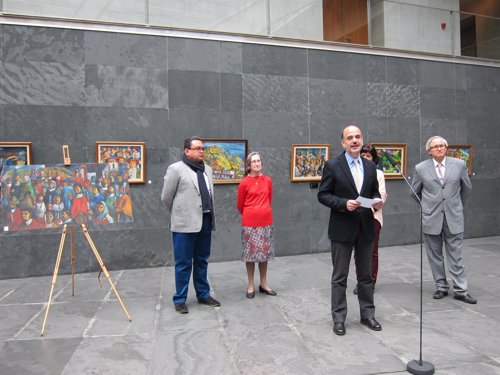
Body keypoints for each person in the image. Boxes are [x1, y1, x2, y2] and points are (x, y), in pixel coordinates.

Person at [318, 125, 384, 336]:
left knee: (365, 276)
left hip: (365, 227)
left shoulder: (370, 166)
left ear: (362, 139)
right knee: (340, 276)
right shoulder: (332, 165)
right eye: (350, 138)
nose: (354, 140)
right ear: (343, 142)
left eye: (357, 137)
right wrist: (343, 203)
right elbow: (323, 195)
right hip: (342, 228)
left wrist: (376, 202)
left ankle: (368, 314)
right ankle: (339, 318)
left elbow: (373, 191)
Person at [411, 136, 477, 304]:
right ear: (429, 151)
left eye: (442, 146)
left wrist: (456, 206)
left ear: (446, 148)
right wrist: (427, 206)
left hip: (454, 217)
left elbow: (466, 189)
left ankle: (461, 290)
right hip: (431, 218)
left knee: (456, 255)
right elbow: (414, 192)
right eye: (435, 147)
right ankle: (441, 286)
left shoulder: (459, 165)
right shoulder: (420, 168)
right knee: (435, 255)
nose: (439, 149)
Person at [161, 136, 220, 314]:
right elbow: (166, 197)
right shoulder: (176, 169)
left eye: (202, 148)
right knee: (183, 263)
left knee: (202, 260)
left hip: (206, 221)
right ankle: (180, 299)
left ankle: (203, 294)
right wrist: (180, 214)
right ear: (187, 151)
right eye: (197, 148)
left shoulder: (207, 170)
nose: (201, 151)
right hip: (184, 225)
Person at [237, 152, 276, 299]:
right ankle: (251, 285)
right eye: (253, 161)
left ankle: (264, 284)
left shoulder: (268, 180)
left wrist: (262, 211)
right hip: (250, 224)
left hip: (266, 222)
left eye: (258, 161)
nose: (257, 163)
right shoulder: (244, 183)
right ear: (248, 165)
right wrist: (252, 213)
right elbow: (240, 205)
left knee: (264, 255)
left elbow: (269, 198)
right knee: (250, 256)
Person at [353, 144, 387, 295]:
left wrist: (363, 203)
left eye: (368, 156)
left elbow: (381, 197)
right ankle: (361, 281)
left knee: (371, 251)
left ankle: (370, 282)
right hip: (354, 216)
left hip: (372, 216)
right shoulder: (352, 171)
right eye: (363, 155)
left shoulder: (378, 173)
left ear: (374, 159)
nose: (365, 158)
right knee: (357, 252)